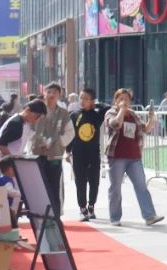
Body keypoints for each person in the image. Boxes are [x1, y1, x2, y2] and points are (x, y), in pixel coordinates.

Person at [104, 88, 164, 227]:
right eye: (121, 99)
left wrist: (151, 118)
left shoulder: (133, 114)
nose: (124, 101)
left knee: (141, 185)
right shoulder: (111, 113)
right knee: (115, 187)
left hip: (134, 156)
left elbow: (145, 129)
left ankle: (149, 215)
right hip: (117, 156)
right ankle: (115, 217)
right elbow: (115, 124)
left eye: (127, 99)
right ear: (115, 101)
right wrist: (121, 110)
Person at [30, 82, 76, 212]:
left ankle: (55, 213)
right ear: (44, 93)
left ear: (59, 95)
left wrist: (59, 142)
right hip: (37, 154)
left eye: (55, 93)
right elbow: (29, 129)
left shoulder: (63, 113)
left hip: (55, 155)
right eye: (49, 92)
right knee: (39, 185)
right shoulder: (37, 110)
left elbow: (70, 132)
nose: (51, 95)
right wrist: (37, 140)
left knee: (55, 185)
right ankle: (40, 213)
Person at [69, 88, 108, 220]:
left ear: (92, 101)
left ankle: (91, 206)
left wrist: (95, 105)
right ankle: (83, 208)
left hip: (93, 154)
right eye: (81, 98)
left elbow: (107, 108)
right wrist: (67, 151)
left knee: (94, 182)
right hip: (78, 153)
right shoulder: (74, 115)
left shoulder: (97, 115)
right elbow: (70, 134)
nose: (82, 101)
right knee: (80, 182)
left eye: (86, 98)